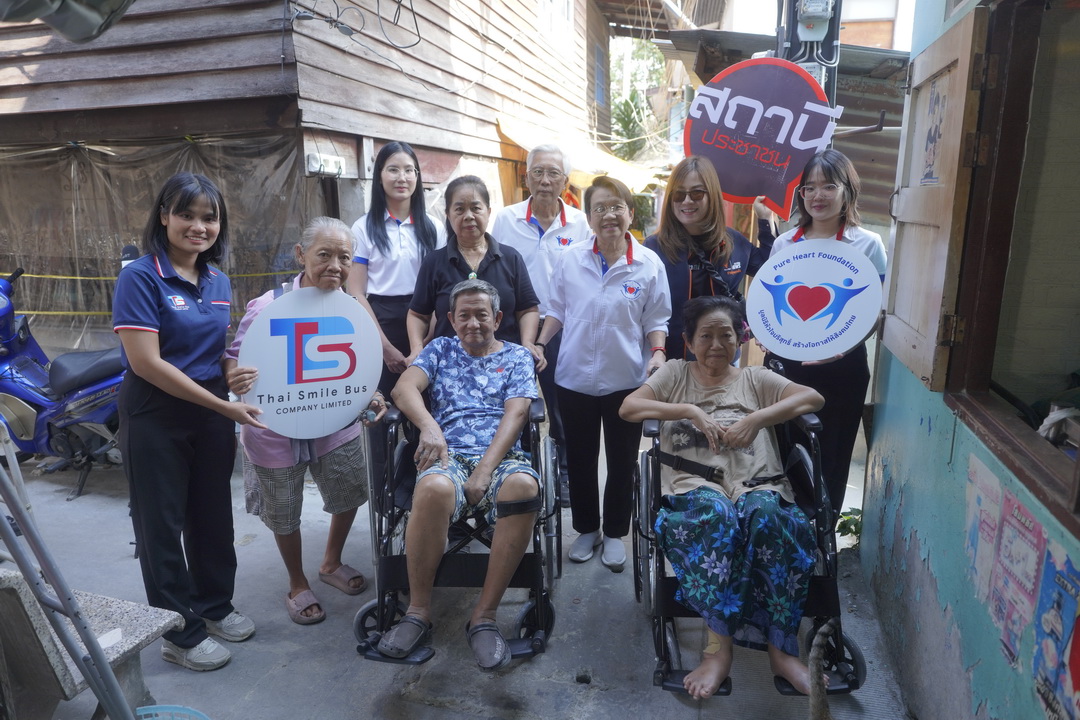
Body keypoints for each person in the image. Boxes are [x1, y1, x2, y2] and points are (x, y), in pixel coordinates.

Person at [619, 295, 825, 699]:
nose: (716, 345)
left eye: (725, 335)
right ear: (688, 341)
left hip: (758, 483)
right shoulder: (675, 373)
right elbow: (629, 407)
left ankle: (781, 652)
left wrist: (758, 418)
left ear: (740, 338)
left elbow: (813, 398)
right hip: (694, 487)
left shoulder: (755, 379)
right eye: (705, 336)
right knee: (717, 519)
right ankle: (718, 650)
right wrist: (689, 411)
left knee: (769, 518)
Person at [113, 172, 266, 672]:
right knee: (161, 525)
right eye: (187, 214)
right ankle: (179, 633)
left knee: (212, 515)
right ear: (164, 216)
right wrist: (224, 406)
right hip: (155, 414)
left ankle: (214, 606)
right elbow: (147, 363)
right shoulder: (140, 277)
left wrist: (231, 370)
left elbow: (216, 348)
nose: (199, 226)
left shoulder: (218, 281)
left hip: (212, 413)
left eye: (209, 218)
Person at [224, 217, 387, 626]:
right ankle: (297, 583)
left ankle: (330, 562)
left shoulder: (352, 310)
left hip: (336, 424)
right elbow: (235, 357)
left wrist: (372, 395)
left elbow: (361, 366)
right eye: (324, 255)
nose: (335, 265)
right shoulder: (268, 307)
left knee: (349, 492)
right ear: (301, 255)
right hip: (274, 430)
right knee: (284, 510)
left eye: (344, 258)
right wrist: (234, 376)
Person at [381, 279, 541, 671]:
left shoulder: (518, 357)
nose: (472, 323)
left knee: (523, 486)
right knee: (433, 487)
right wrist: (430, 428)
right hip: (447, 452)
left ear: (497, 319)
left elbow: (518, 413)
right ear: (451, 320)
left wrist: (484, 470)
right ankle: (418, 611)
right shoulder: (440, 349)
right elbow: (404, 390)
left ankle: (484, 616)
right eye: (463, 315)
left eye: (481, 315)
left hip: (500, 456)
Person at [536, 176, 671, 572]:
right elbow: (556, 309)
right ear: (589, 217)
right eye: (600, 208)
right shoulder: (571, 259)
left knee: (622, 460)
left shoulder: (648, 264)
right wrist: (540, 344)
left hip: (625, 379)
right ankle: (586, 529)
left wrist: (658, 352)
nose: (609, 215)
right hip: (574, 377)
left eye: (616, 207)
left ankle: (614, 532)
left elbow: (657, 318)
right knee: (579, 458)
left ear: (631, 213)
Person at [764, 148, 887, 515]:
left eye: (828, 186)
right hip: (787, 367)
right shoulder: (784, 243)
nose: (817, 195)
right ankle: (780, 531)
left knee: (830, 457)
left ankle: (821, 536)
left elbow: (874, 310)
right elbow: (771, 303)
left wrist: (842, 348)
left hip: (842, 369)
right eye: (810, 187)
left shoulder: (867, 244)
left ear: (847, 191)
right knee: (782, 452)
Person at [346, 141, 445, 516]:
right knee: (380, 419)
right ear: (379, 176)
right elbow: (356, 292)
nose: (402, 177)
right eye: (393, 169)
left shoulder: (433, 227)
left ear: (418, 177)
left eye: (409, 170)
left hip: (427, 324)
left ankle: (427, 502)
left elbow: (440, 289)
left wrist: (425, 342)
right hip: (378, 323)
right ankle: (386, 509)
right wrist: (384, 347)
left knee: (427, 417)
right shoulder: (363, 227)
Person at [492, 144, 592, 507]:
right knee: (514, 404)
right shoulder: (506, 220)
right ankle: (520, 472)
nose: (545, 180)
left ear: (565, 180)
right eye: (538, 172)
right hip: (513, 326)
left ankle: (566, 474)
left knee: (564, 406)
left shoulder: (580, 223)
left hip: (562, 327)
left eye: (553, 173)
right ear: (526, 177)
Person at [645, 156, 776, 360]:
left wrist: (765, 220)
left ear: (712, 195)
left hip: (723, 362)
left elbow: (772, 270)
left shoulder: (734, 242)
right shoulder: (653, 247)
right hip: (669, 363)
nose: (687, 201)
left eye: (696, 193)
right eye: (679, 194)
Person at [407, 175, 541, 357]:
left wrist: (527, 343)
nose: (468, 216)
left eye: (476, 208)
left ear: (488, 211)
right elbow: (418, 315)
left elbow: (527, 310)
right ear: (448, 215)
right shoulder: (434, 262)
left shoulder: (511, 258)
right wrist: (416, 348)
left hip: (505, 363)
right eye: (459, 209)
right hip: (449, 363)